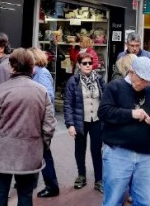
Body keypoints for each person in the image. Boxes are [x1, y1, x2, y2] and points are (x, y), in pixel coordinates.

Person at [0, 48, 57, 206]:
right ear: (31, 66)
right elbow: (49, 125)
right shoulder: (41, 91)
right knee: (26, 196)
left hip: (3, 152)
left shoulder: (0, 91)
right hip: (30, 152)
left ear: (12, 67)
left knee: (0, 194)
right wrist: (41, 145)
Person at [98, 57, 150, 206]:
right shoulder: (115, 86)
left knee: (144, 201)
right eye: (142, 79)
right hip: (118, 153)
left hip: (145, 155)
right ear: (132, 72)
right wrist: (131, 114)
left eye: (148, 80)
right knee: (112, 201)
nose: (145, 84)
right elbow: (104, 112)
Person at [64, 52, 105, 193]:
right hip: (80, 121)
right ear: (79, 65)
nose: (88, 65)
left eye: (90, 63)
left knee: (96, 150)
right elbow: (68, 104)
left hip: (97, 120)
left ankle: (99, 179)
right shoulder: (73, 81)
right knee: (80, 149)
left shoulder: (99, 79)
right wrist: (70, 124)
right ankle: (81, 175)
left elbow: (105, 100)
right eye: (84, 63)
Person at [27, 47, 60, 198]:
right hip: (39, 120)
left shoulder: (42, 74)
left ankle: (52, 186)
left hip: (41, 121)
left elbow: (49, 97)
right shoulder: (37, 73)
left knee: (44, 153)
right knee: (41, 153)